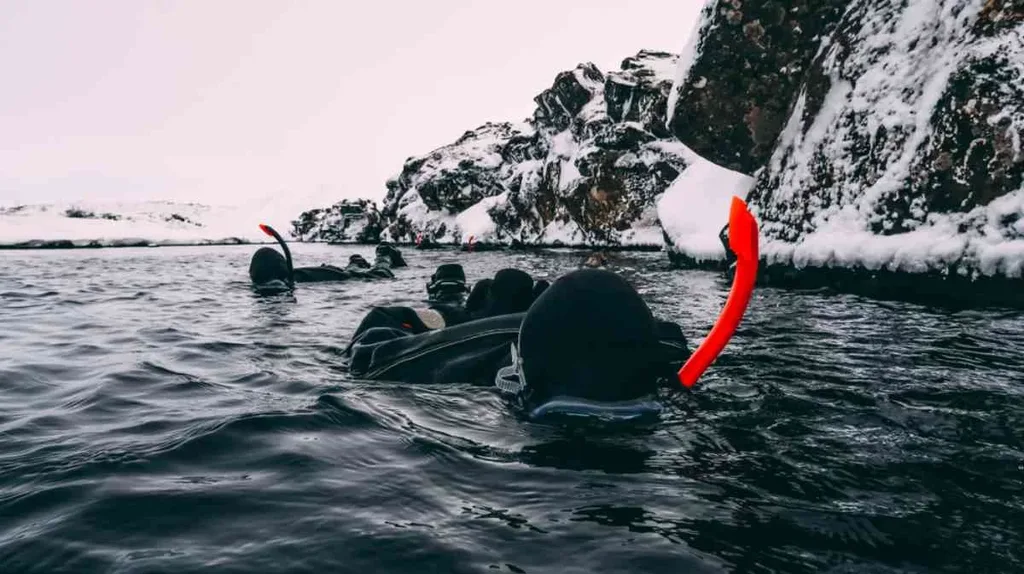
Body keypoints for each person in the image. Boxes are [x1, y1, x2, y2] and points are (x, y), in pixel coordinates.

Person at [343, 268, 691, 421]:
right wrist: (446, 317)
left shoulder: (651, 350)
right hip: (499, 333)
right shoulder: (454, 360)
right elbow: (378, 336)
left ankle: (471, 303)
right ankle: (462, 302)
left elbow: (371, 344)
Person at [249, 224, 406, 293]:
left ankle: (384, 253)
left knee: (382, 273)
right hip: (336, 272)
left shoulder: (279, 281)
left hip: (344, 276)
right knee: (354, 269)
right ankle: (357, 261)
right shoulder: (285, 277)